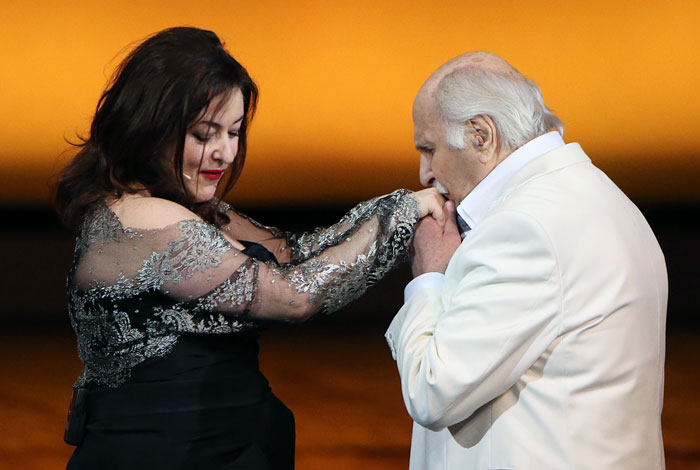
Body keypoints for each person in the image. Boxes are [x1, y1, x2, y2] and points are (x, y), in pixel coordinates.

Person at [55, 27, 446, 470]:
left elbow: (293, 254)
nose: (225, 153)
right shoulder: (147, 219)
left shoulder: (191, 211)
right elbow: (295, 296)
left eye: (235, 132)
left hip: (226, 445)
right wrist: (401, 213)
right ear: (151, 127)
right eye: (205, 135)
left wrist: (398, 209)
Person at [385, 52, 668, 469]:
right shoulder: (597, 194)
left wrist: (429, 278)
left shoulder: (523, 227)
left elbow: (432, 390)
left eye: (429, 148)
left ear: (481, 135)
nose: (425, 173)